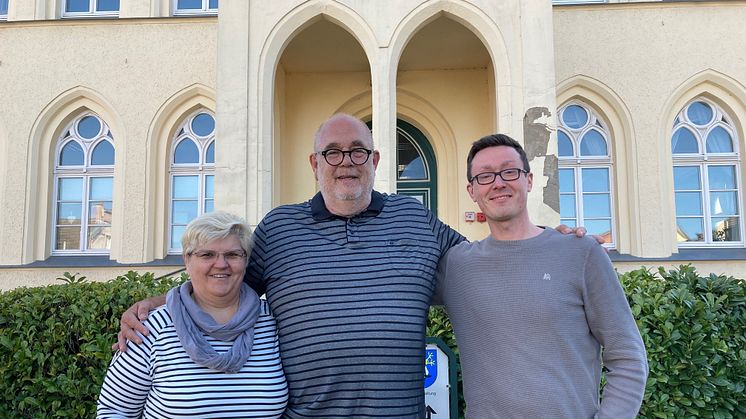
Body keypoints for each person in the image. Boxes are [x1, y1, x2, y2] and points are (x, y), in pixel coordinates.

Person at [116, 114, 595, 418]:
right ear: (315, 163)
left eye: (358, 152)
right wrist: (158, 304)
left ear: (375, 159)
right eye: (333, 153)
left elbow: (487, 267)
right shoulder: (280, 228)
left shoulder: (415, 219)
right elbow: (223, 284)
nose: (347, 162)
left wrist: (552, 245)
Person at [436, 134, 648, 418]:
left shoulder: (581, 253)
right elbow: (388, 288)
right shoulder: (456, 266)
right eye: (485, 176)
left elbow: (628, 358)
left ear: (529, 180)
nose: (498, 183)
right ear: (471, 191)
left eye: (509, 171)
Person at [97, 211, 288, 418]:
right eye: (207, 255)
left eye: (233, 255)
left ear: (246, 261)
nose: (221, 264)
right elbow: (114, 411)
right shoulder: (151, 328)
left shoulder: (272, 322)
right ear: (187, 260)